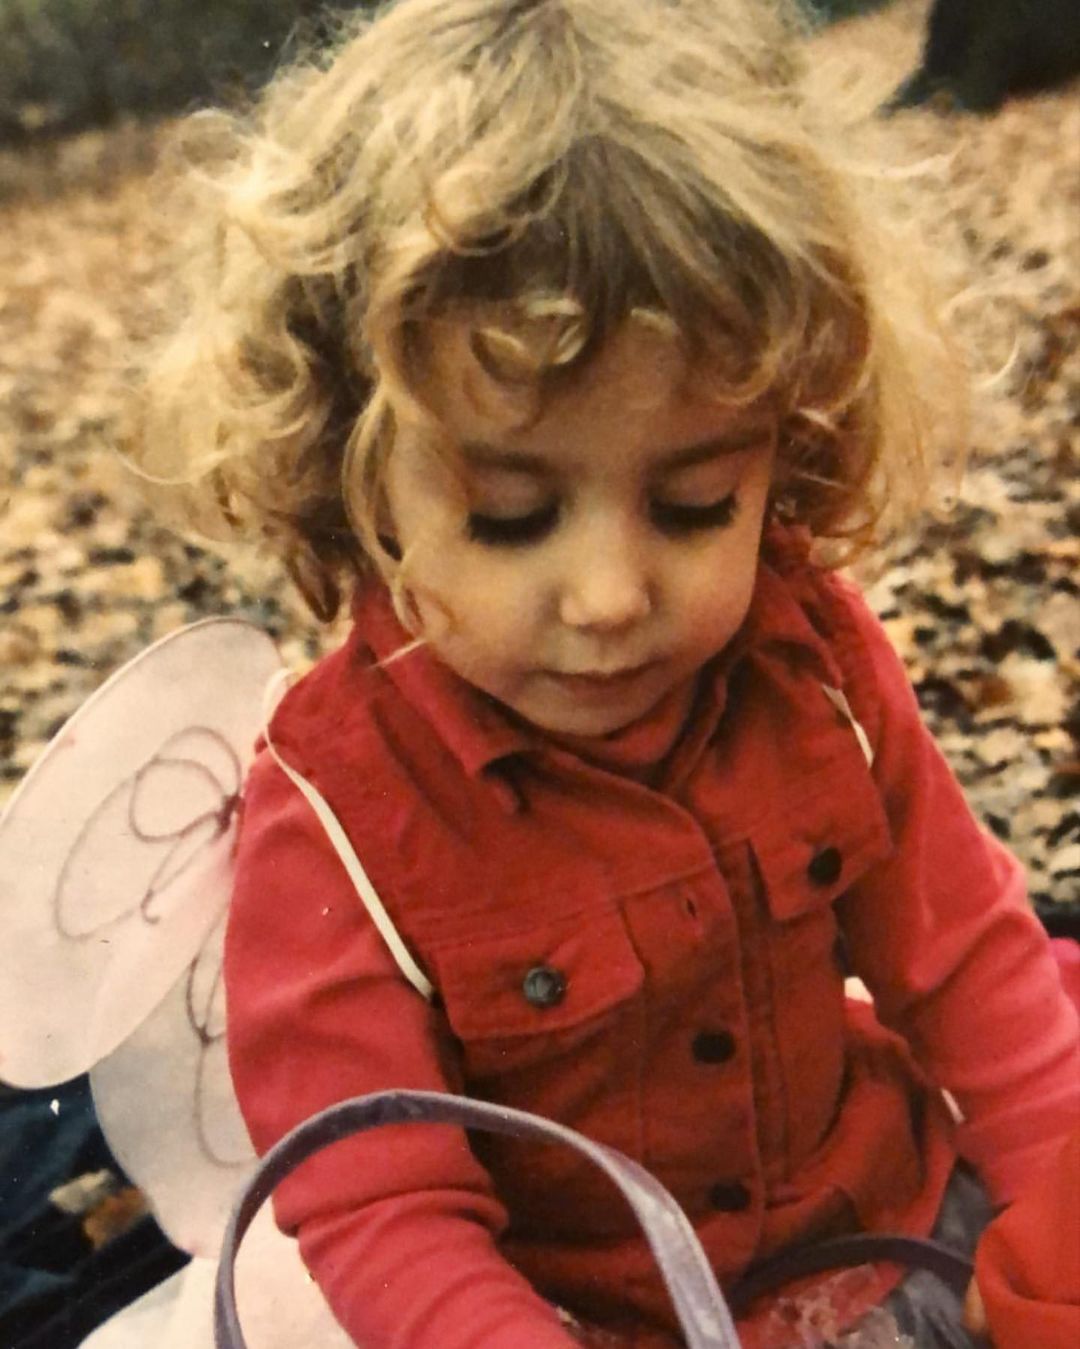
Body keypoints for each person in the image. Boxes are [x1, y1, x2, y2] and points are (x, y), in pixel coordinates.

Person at [131, 1, 1080, 1345]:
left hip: (894, 1232)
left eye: (694, 503)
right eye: (512, 517)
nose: (609, 596)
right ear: (357, 474)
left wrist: (1060, 1222)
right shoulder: (339, 816)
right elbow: (382, 1202)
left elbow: (973, 969)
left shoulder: (809, 660)